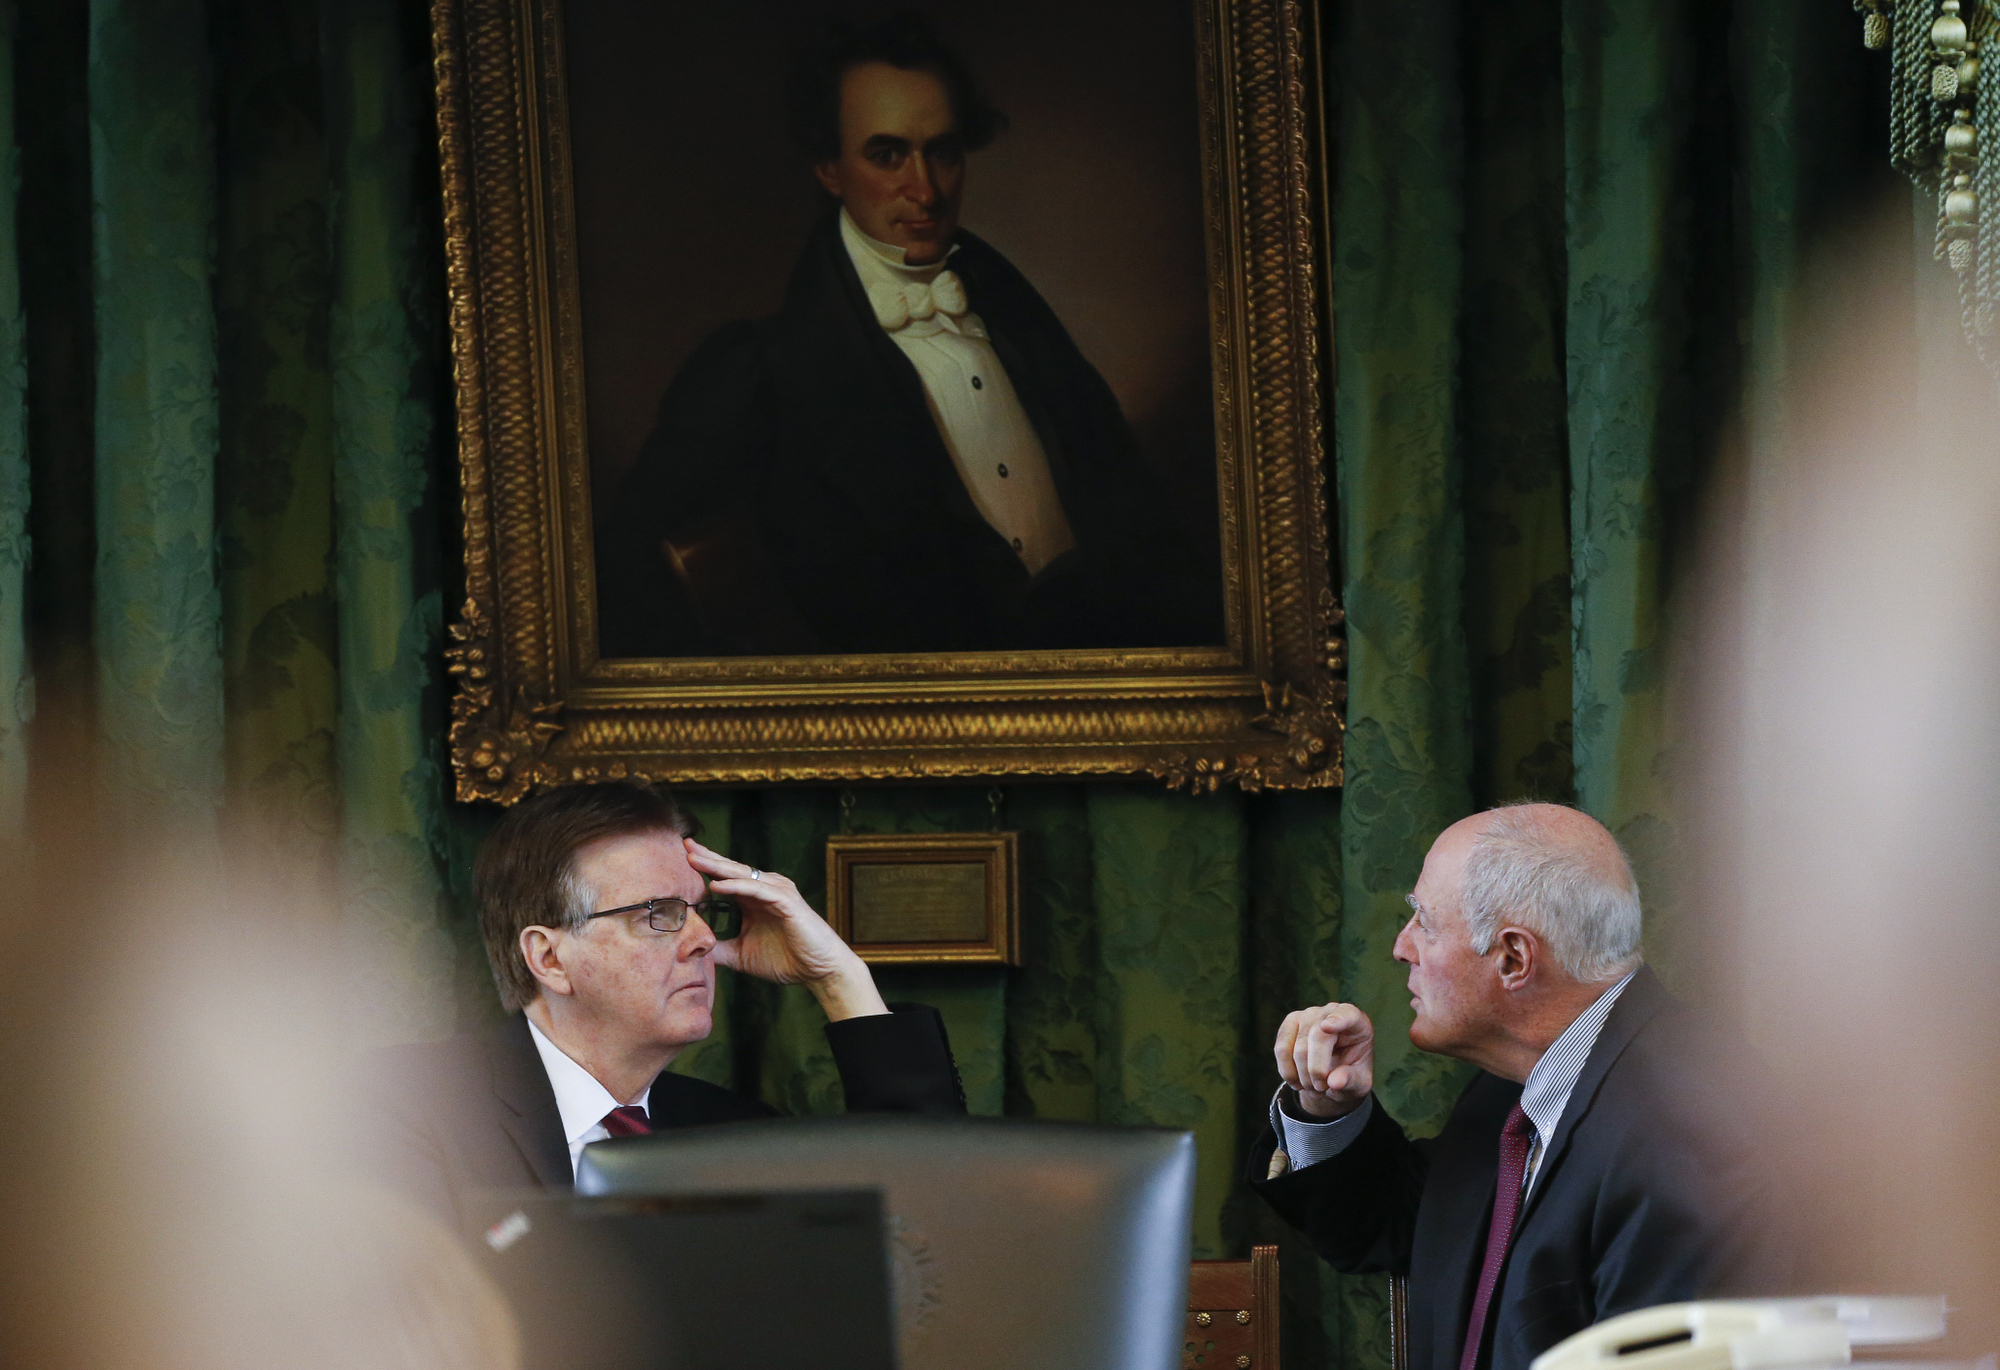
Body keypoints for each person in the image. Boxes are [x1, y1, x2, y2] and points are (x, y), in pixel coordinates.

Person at [595, 14, 1221, 658]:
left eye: (943, 152)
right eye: (887, 155)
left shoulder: (1018, 314)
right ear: (829, 168)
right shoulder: (760, 369)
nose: (925, 190)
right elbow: (626, 570)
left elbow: (1144, 530)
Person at [1250, 804, 1785, 1370]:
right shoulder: (1512, 1087)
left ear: (1512, 958)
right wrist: (1328, 1105)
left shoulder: (1687, 1127)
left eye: (1424, 922)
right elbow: (1393, 1229)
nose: (1401, 947)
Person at [376, 781, 964, 1229]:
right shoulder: (404, 1111)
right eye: (659, 914)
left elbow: (929, 1225)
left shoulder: (739, 1137)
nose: (704, 939)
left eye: (704, 911)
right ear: (549, 958)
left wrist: (840, 980)